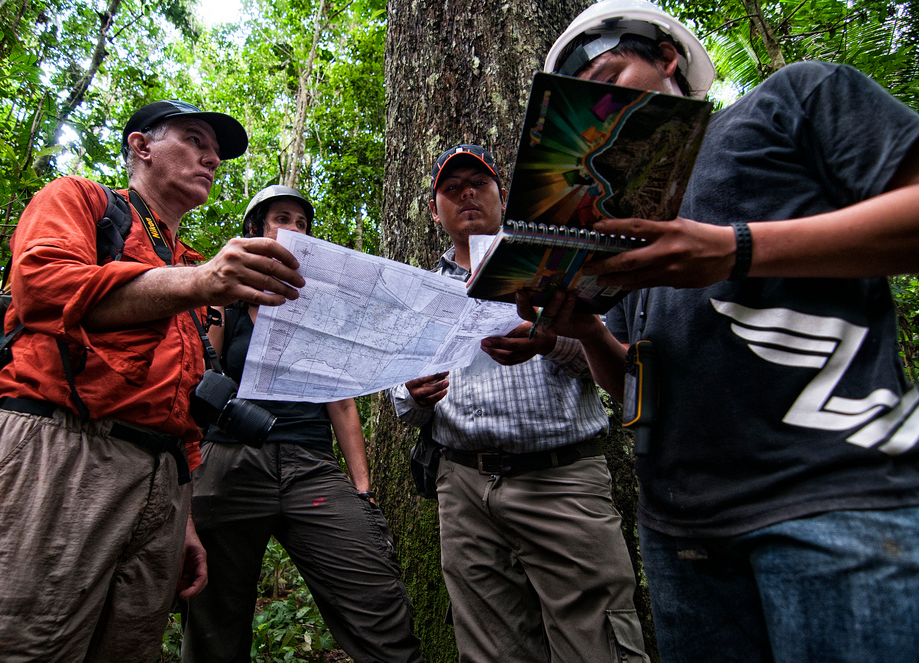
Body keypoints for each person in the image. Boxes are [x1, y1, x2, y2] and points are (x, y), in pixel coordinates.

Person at [526, 1, 919, 661]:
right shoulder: (614, 219)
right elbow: (634, 377)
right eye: (583, 98)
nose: (601, 105)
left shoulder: (794, 98)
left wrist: (735, 250)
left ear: (666, 57)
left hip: (835, 502)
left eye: (612, 74)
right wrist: (589, 329)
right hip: (684, 540)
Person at [0, 100, 307, 662]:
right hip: (56, 452)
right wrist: (199, 283)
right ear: (141, 146)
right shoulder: (79, 201)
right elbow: (43, 287)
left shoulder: (191, 263)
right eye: (195, 140)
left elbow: (180, 400)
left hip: (161, 484)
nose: (211, 157)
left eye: (216, 152)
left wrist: (182, 514)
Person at [388, 145, 647, 663]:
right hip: (462, 487)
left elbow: (606, 363)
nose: (466, 193)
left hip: (561, 481)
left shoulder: (552, 267)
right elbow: (402, 400)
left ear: (501, 196)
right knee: (490, 649)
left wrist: (551, 341)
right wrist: (411, 393)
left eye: (478, 183)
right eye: (451, 187)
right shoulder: (423, 291)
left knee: (596, 642)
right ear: (434, 209)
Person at [182, 185, 423, 663]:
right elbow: (199, 379)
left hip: (309, 465)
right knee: (215, 622)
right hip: (227, 461)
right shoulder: (226, 302)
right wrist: (187, 478)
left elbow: (342, 404)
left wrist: (362, 490)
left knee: (377, 603)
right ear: (256, 229)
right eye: (282, 219)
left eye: (301, 223)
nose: (293, 229)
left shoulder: (320, 311)